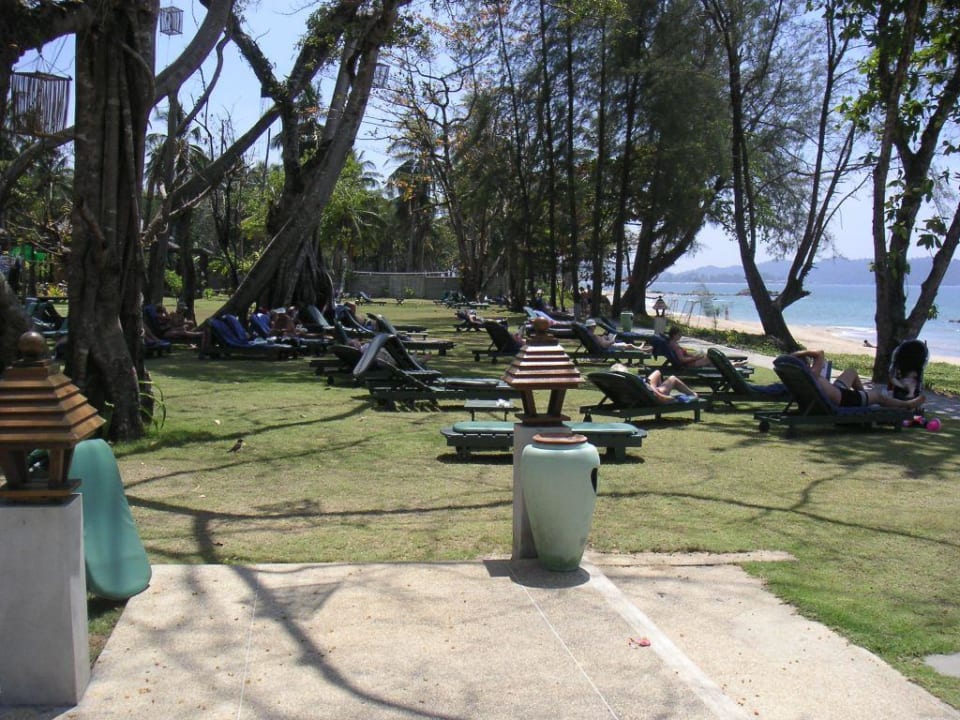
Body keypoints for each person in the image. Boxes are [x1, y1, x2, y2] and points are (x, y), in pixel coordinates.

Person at [792, 349, 925, 410]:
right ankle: (907, 404)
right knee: (879, 396)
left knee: (852, 372)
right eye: (807, 360)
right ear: (804, 363)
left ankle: (866, 401)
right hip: (844, 399)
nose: (810, 361)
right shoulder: (811, 373)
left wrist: (796, 357)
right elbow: (820, 353)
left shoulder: (801, 374)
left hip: (837, 391)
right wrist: (806, 352)